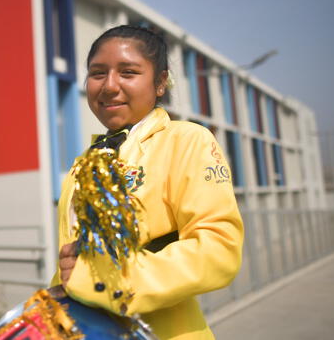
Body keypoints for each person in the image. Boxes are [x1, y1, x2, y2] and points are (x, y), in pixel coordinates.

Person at [51, 25, 244, 339]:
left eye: (128, 72)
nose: (109, 86)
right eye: (98, 73)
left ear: (160, 83)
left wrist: (106, 280)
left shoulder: (186, 140)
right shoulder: (85, 162)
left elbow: (218, 249)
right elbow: (74, 263)